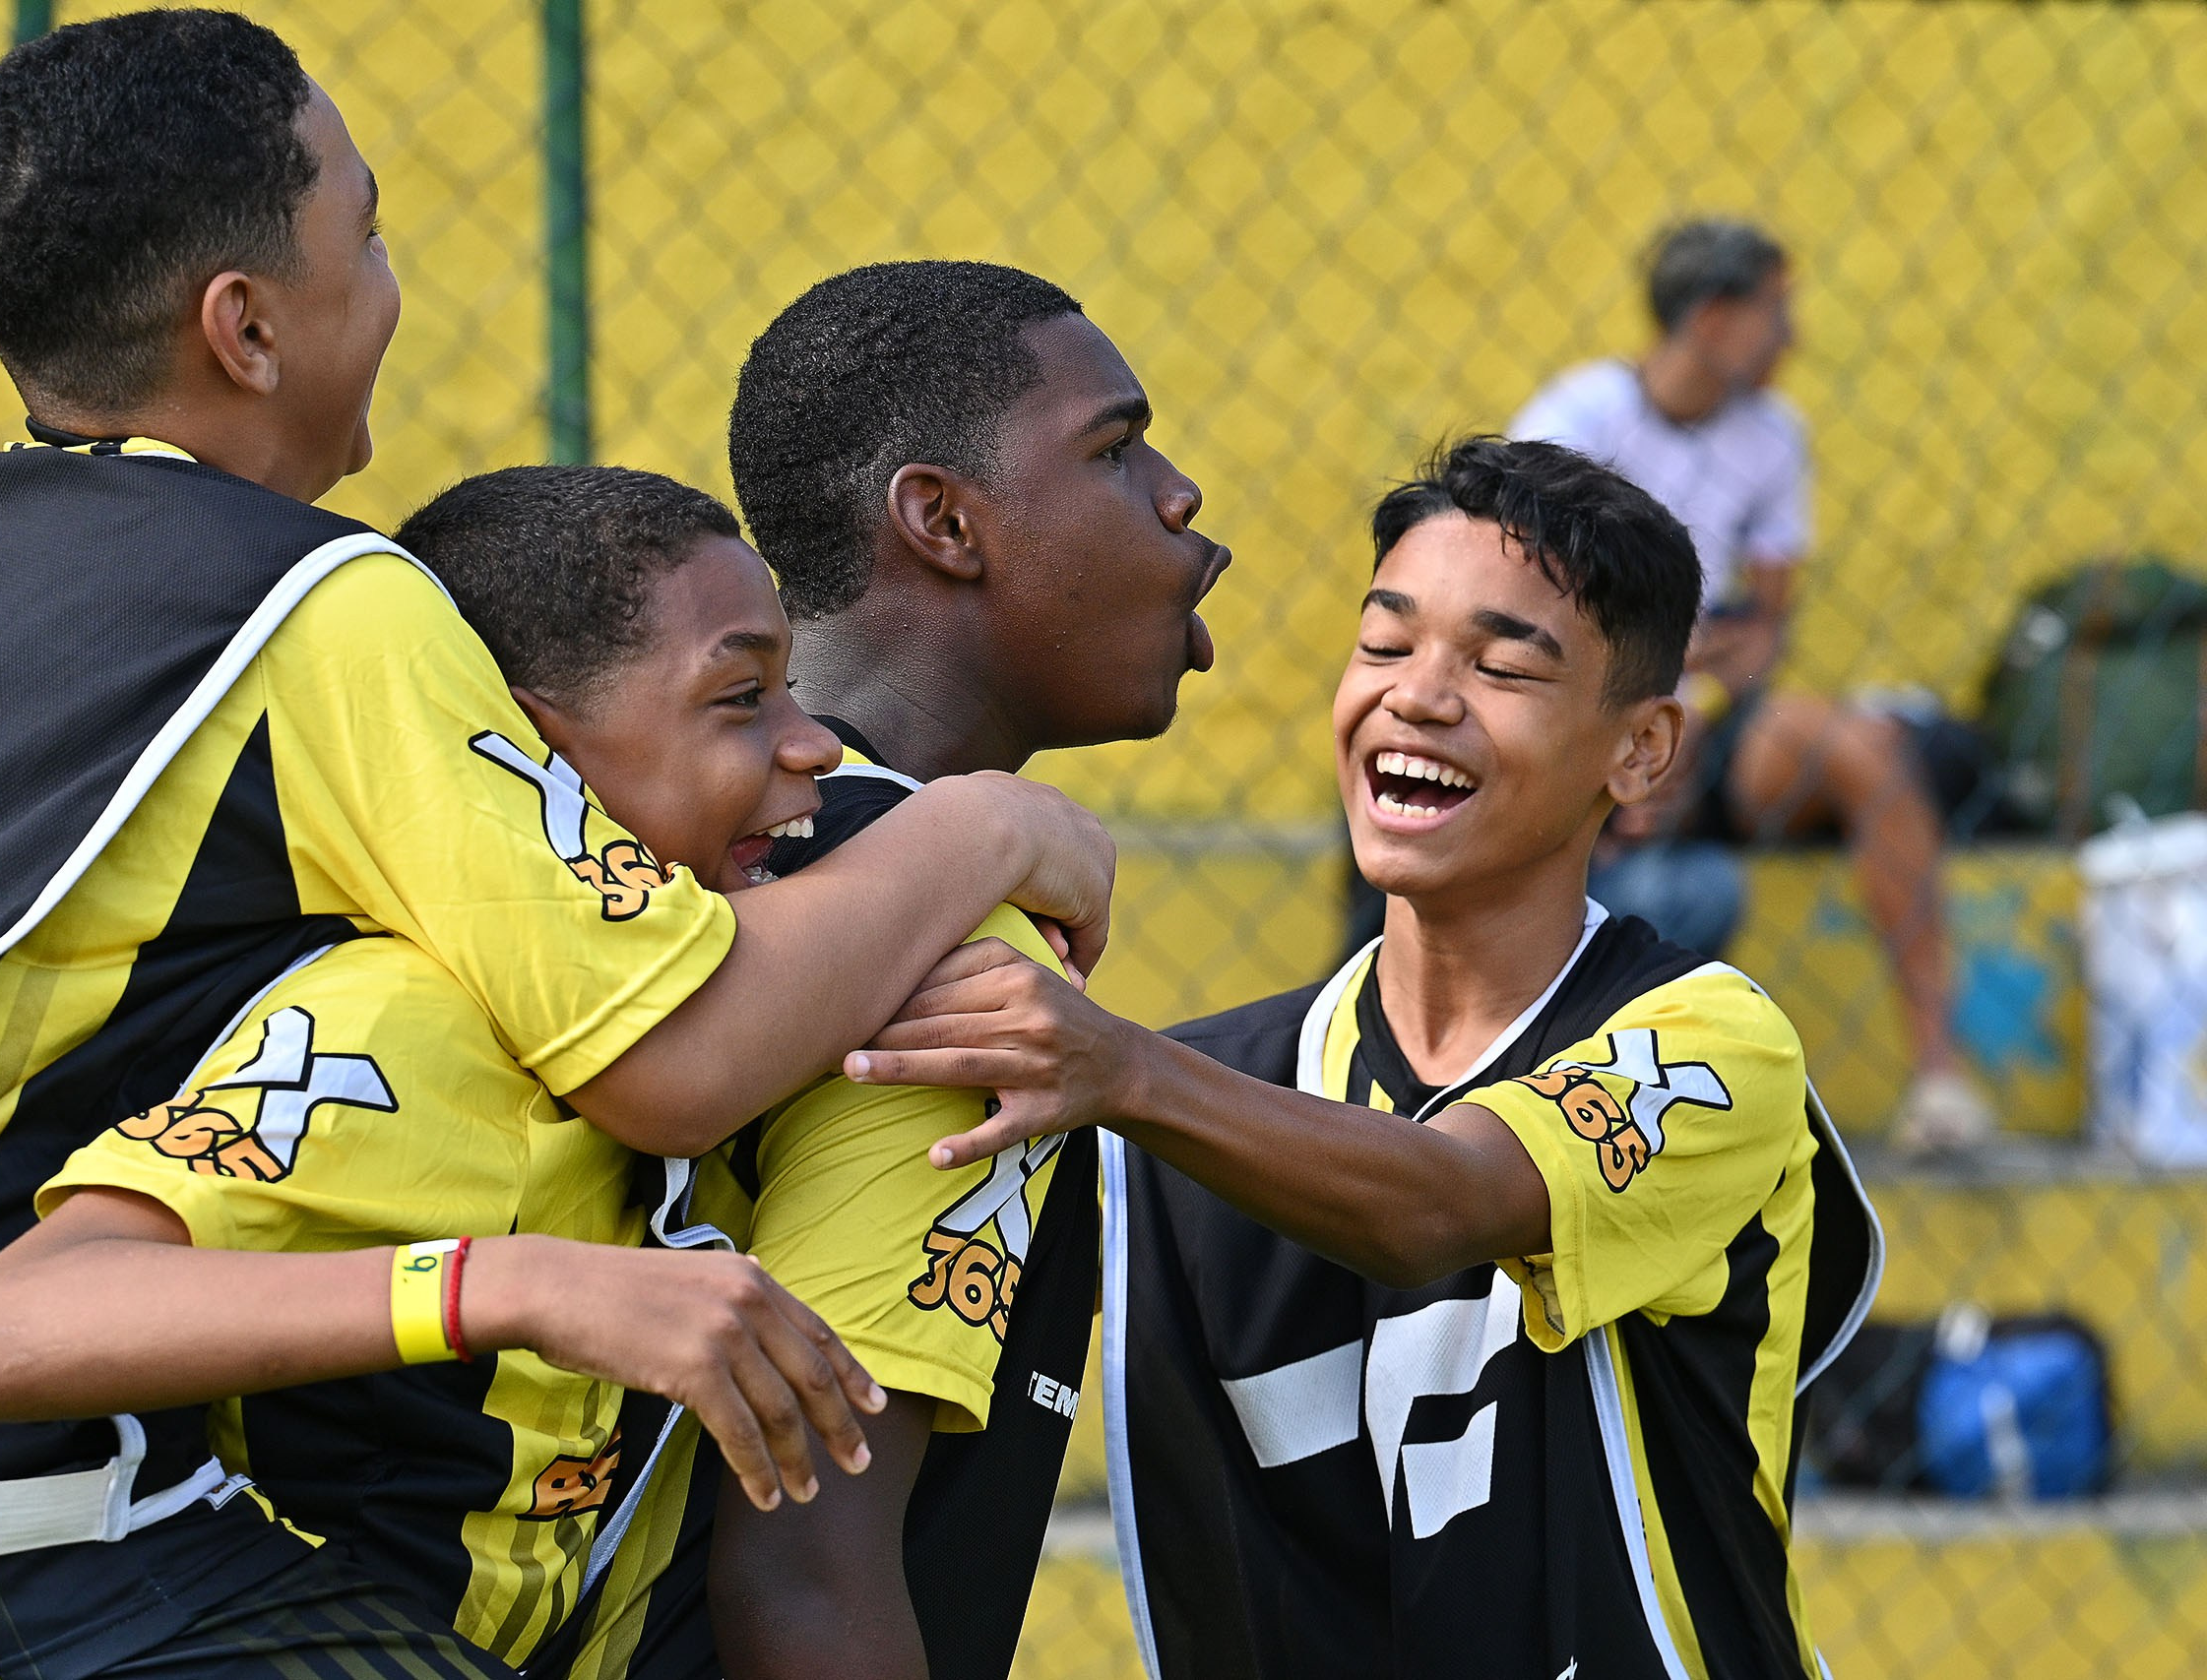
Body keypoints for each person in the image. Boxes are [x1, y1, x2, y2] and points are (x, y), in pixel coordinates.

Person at [0, 17, 1110, 1676]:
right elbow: (680, 1047)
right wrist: (991, 823)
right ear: (247, 327)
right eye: (364, 231)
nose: (390, 277)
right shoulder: (307, 602)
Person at [850, 438, 1881, 1677]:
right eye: (1384, 645)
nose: (1419, 696)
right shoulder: (1192, 1100)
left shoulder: (1707, 1044)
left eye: (1501, 665)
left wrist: (1118, 1072)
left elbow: (1445, 1202)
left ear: (1643, 751)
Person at [0, 465, 924, 1664]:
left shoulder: (755, 983)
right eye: (739, 698)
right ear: (533, 757)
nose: (811, 745)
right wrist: (513, 1284)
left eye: (795, 694)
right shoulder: (411, 1026)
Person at [527, 260, 1230, 1680]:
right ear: (944, 520)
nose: (1179, 496)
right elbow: (805, 1569)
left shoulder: (696, 849)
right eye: (1114, 447)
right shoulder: (944, 937)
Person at [1510, 217, 1990, 1151]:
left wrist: (1693, 701)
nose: (1792, 335)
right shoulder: (1576, 423)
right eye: (1777, 309)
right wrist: (1640, 713)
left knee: (1872, 748)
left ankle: (1941, 1077)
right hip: (1584, 714)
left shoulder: (1774, 436)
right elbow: (1535, 614)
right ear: (1715, 317)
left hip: (1706, 717)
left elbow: (1762, 631)